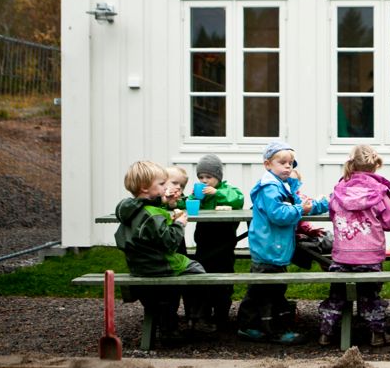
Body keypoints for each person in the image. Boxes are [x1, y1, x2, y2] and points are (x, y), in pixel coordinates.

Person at [238, 141, 329, 344]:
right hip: (268, 247)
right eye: (282, 162)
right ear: (268, 164)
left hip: (274, 248)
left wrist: (324, 204)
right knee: (268, 290)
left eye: (291, 163)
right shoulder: (270, 188)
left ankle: (249, 325)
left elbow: (299, 205)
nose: (288, 166)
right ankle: (270, 329)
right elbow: (278, 214)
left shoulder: (283, 187)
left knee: (265, 289)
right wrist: (300, 210)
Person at [114, 160, 208, 341]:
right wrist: (179, 224)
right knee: (199, 272)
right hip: (160, 264)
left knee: (166, 292)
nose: (166, 187)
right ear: (145, 187)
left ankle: (167, 325)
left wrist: (168, 203)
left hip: (138, 265)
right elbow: (170, 242)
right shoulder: (153, 214)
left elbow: (151, 211)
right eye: (161, 184)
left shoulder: (131, 208)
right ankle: (196, 319)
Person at [317, 144, 390, 347]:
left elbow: (332, 215)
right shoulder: (379, 192)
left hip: (342, 256)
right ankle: (377, 334)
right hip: (370, 257)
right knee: (370, 295)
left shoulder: (338, 191)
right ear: (375, 166)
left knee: (336, 295)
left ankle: (325, 333)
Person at [189, 154, 244, 329]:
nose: (204, 181)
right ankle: (201, 314)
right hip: (204, 243)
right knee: (202, 276)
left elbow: (238, 199)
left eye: (209, 177)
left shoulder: (228, 189)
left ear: (218, 177)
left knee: (224, 276)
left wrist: (217, 193)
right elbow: (187, 203)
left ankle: (222, 314)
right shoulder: (198, 194)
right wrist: (195, 199)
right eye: (201, 177)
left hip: (224, 243)